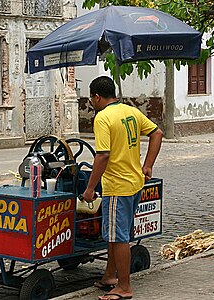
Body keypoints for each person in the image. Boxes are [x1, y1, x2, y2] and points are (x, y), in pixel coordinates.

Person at [82, 76, 163, 300]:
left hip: (118, 186)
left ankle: (124, 286)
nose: (92, 102)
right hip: (135, 183)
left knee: (118, 237)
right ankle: (109, 275)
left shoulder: (102, 118)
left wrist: (90, 189)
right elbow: (157, 133)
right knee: (115, 233)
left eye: (92, 98)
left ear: (97, 96)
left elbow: (103, 155)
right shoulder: (131, 111)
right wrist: (147, 166)